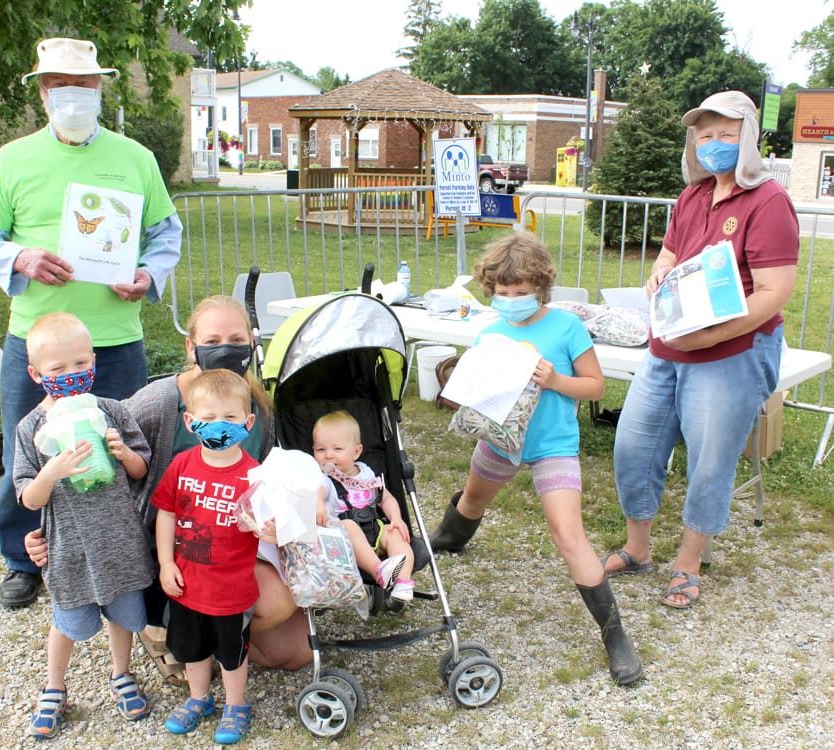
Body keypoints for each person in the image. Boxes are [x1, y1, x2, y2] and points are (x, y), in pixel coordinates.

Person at [0, 37, 183, 609]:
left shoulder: (135, 158)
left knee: (126, 449)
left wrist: (147, 273)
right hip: (36, 347)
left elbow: (166, 233)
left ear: (100, 87)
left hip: (114, 342)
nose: (74, 95)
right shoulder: (12, 159)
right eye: (61, 85)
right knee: (27, 455)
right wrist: (20, 259)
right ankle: (23, 558)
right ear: (42, 92)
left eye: (85, 84)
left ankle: (133, 555)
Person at [25, 296, 312, 676]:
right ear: (191, 347)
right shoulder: (158, 402)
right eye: (211, 342)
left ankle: (208, 634)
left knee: (295, 652)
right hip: (165, 552)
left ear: (251, 346)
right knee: (273, 603)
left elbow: (262, 484)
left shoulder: (258, 408)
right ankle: (172, 625)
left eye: (235, 339)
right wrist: (47, 532)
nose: (225, 349)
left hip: (230, 545)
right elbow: (85, 466)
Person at [606, 91, 799, 609]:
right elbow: (670, 253)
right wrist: (658, 272)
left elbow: (775, 292)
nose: (715, 144)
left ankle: (688, 563)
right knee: (633, 448)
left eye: (727, 135)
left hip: (731, 354)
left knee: (710, 462)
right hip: (669, 348)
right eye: (705, 135)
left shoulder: (768, 202)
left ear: (750, 139)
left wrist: (714, 336)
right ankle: (637, 548)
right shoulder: (692, 196)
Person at [427, 232, 643, 685]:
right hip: (500, 440)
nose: (512, 300)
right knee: (472, 501)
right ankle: (450, 539)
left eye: (521, 293)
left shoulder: (565, 328)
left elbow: (596, 387)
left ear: (540, 287)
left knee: (569, 536)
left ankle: (615, 636)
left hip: (553, 445)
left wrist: (555, 380)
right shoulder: (491, 332)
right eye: (503, 294)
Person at [14, 313, 153, 739]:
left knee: (123, 613)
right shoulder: (31, 428)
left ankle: (121, 673)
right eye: (58, 369)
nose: (72, 375)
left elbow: (141, 468)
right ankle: (54, 686)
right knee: (67, 617)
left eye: (80, 364)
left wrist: (123, 452)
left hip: (119, 539)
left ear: (93, 360)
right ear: (37, 373)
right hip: (70, 545)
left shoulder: (111, 411)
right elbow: (27, 496)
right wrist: (50, 471)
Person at [152, 369, 262, 744]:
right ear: (190, 421)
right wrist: (166, 563)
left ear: (248, 422)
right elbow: (166, 512)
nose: (220, 425)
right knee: (191, 649)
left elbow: (266, 525)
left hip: (231, 589)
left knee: (232, 652)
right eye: (209, 417)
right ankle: (199, 698)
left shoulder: (254, 475)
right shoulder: (182, 465)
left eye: (230, 417)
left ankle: (235, 704)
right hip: (186, 585)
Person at [313, 411, 415, 601]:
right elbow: (317, 492)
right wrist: (318, 503)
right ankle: (379, 571)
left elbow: (385, 498)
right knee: (349, 526)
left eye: (337, 449)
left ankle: (402, 583)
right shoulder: (323, 478)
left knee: (395, 535)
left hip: (373, 527)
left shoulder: (366, 472)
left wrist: (395, 519)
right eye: (320, 450)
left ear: (356, 452)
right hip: (342, 541)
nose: (328, 455)